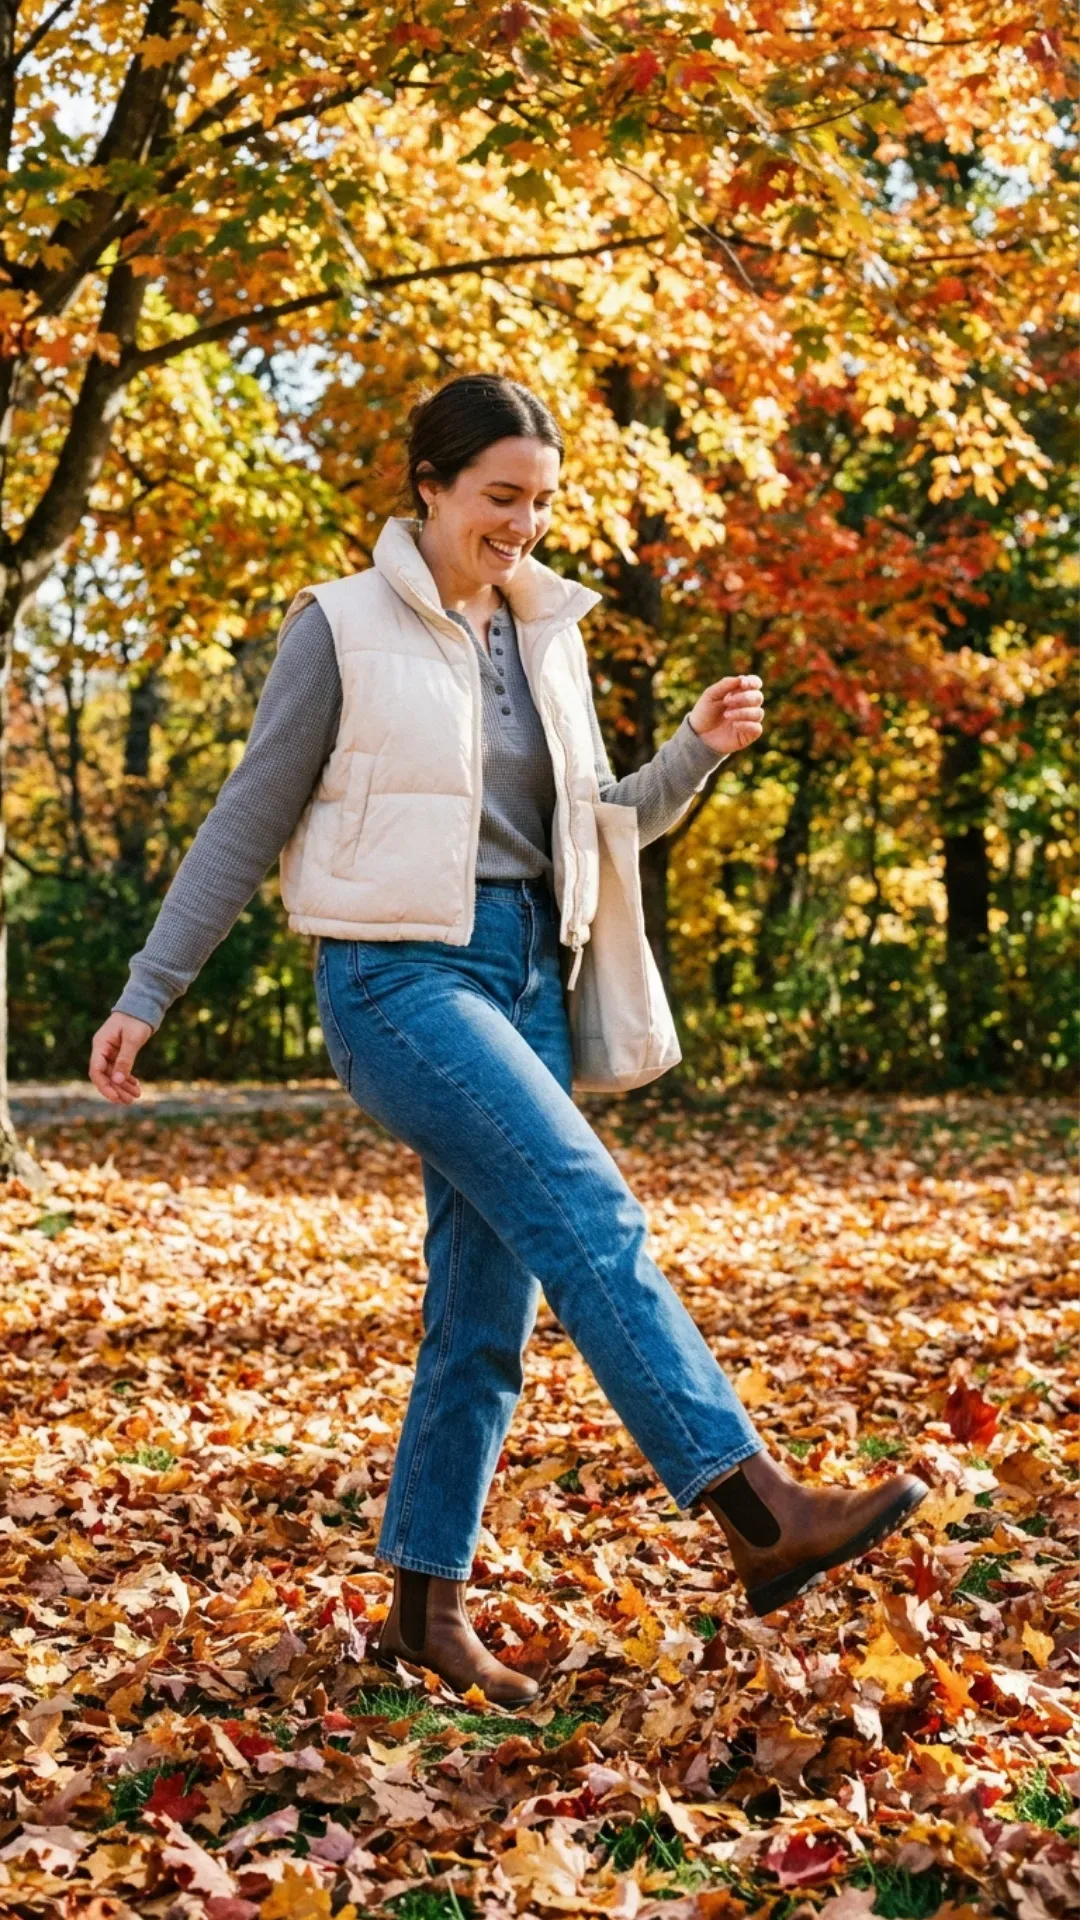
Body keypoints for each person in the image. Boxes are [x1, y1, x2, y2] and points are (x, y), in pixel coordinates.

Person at [89, 373, 927, 1707]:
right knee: (589, 1206)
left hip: (529, 974)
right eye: (499, 496)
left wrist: (694, 753)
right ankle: (754, 1506)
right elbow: (250, 813)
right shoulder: (339, 627)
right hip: (396, 981)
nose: (523, 524)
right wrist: (150, 988)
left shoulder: (547, 631)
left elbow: (595, 825)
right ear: (428, 486)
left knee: (486, 1313)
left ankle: (426, 1611)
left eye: (540, 501)